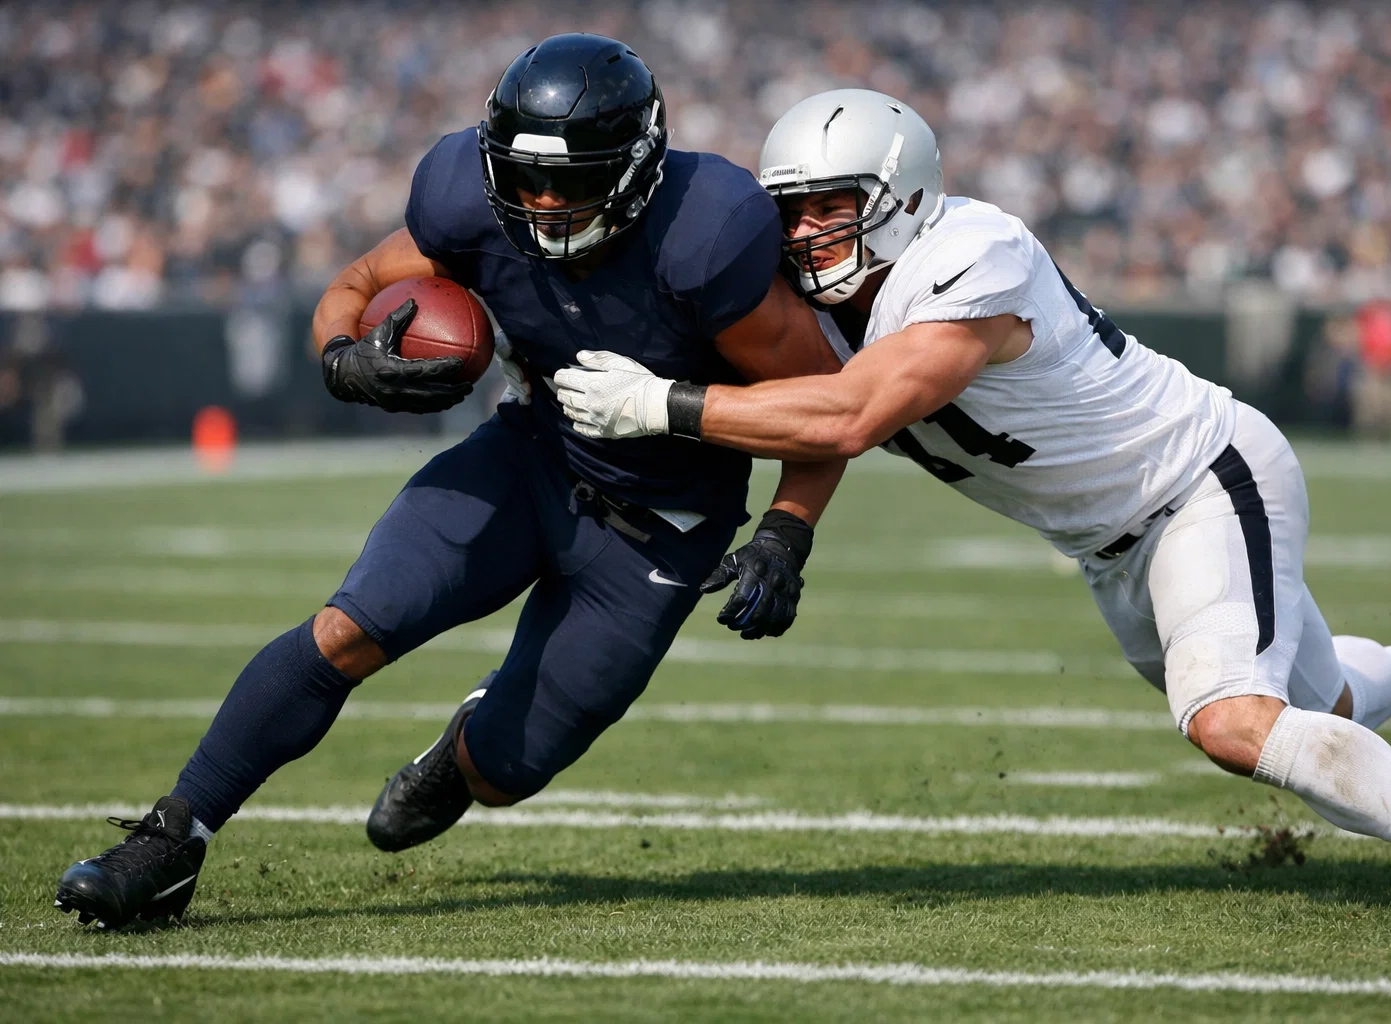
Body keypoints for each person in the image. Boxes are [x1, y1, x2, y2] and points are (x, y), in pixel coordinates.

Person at [554, 89, 1391, 920]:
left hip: (1200, 477)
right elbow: (812, 406)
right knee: (1321, 707)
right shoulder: (818, 307)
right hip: (1112, 545)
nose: (806, 232)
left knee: (1232, 717)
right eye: (792, 213)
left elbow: (852, 415)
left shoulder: (974, 254)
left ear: (900, 197)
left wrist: (661, 405)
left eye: (830, 205)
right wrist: (785, 527)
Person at [52, 34, 842, 930]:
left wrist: (787, 527)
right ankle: (170, 840)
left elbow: (825, 410)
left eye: (570, 178)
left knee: (507, 770)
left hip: (663, 523)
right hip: (529, 459)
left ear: (637, 168)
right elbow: (354, 284)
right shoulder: (465, 200)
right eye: (524, 176)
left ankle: (461, 750)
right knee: (348, 629)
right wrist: (343, 360)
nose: (542, 202)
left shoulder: (706, 236)